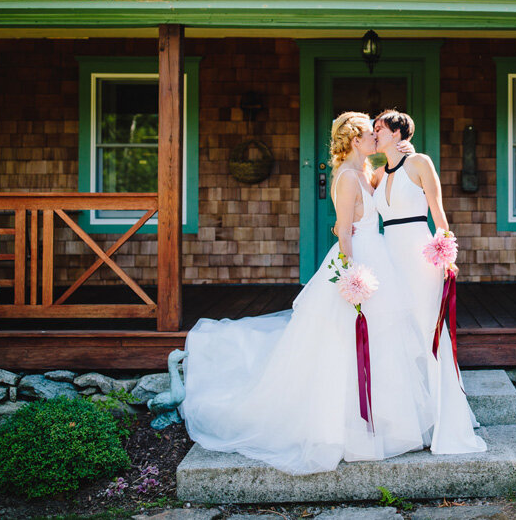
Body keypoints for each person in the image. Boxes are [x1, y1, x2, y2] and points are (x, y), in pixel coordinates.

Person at [180, 112, 433, 475]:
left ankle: (386, 423)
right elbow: (344, 231)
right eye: (369, 135)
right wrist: (351, 274)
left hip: (379, 258)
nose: (376, 139)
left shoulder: (364, 170)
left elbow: (395, 168)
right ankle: (348, 430)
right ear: (354, 140)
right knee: (346, 343)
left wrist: (400, 148)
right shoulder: (347, 178)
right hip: (358, 260)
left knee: (382, 341)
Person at [372, 109, 487, 455]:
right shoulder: (376, 174)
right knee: (395, 331)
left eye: (379, 129)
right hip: (387, 256)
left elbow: (438, 211)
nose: (375, 134)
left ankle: (442, 420)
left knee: (426, 330)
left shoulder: (419, 163)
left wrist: (446, 251)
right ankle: (408, 420)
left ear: (397, 132)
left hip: (419, 256)